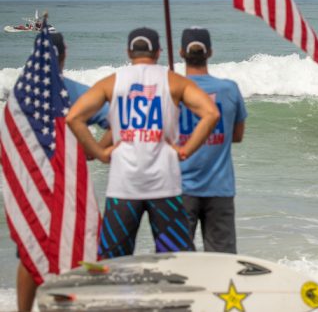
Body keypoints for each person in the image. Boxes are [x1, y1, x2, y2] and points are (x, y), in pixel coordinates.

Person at [66, 27, 220, 259]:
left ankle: (120, 295)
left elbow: (74, 117)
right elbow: (211, 113)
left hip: (124, 184)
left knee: (114, 260)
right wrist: (185, 150)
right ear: (158, 52)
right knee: (177, 259)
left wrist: (99, 152)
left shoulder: (111, 82)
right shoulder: (174, 81)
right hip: (164, 184)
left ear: (129, 52)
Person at [15, 31, 110, 312]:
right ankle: (69, 304)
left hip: (31, 183)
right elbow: (116, 121)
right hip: (70, 183)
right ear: (64, 54)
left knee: (29, 251)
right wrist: (94, 151)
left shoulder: (20, 95)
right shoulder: (76, 91)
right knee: (80, 244)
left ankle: (24, 311)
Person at [178, 27, 247, 253]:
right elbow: (236, 136)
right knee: (222, 261)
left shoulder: (171, 90)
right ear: (210, 52)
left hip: (180, 188)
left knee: (179, 261)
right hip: (220, 187)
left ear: (181, 52)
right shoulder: (229, 89)